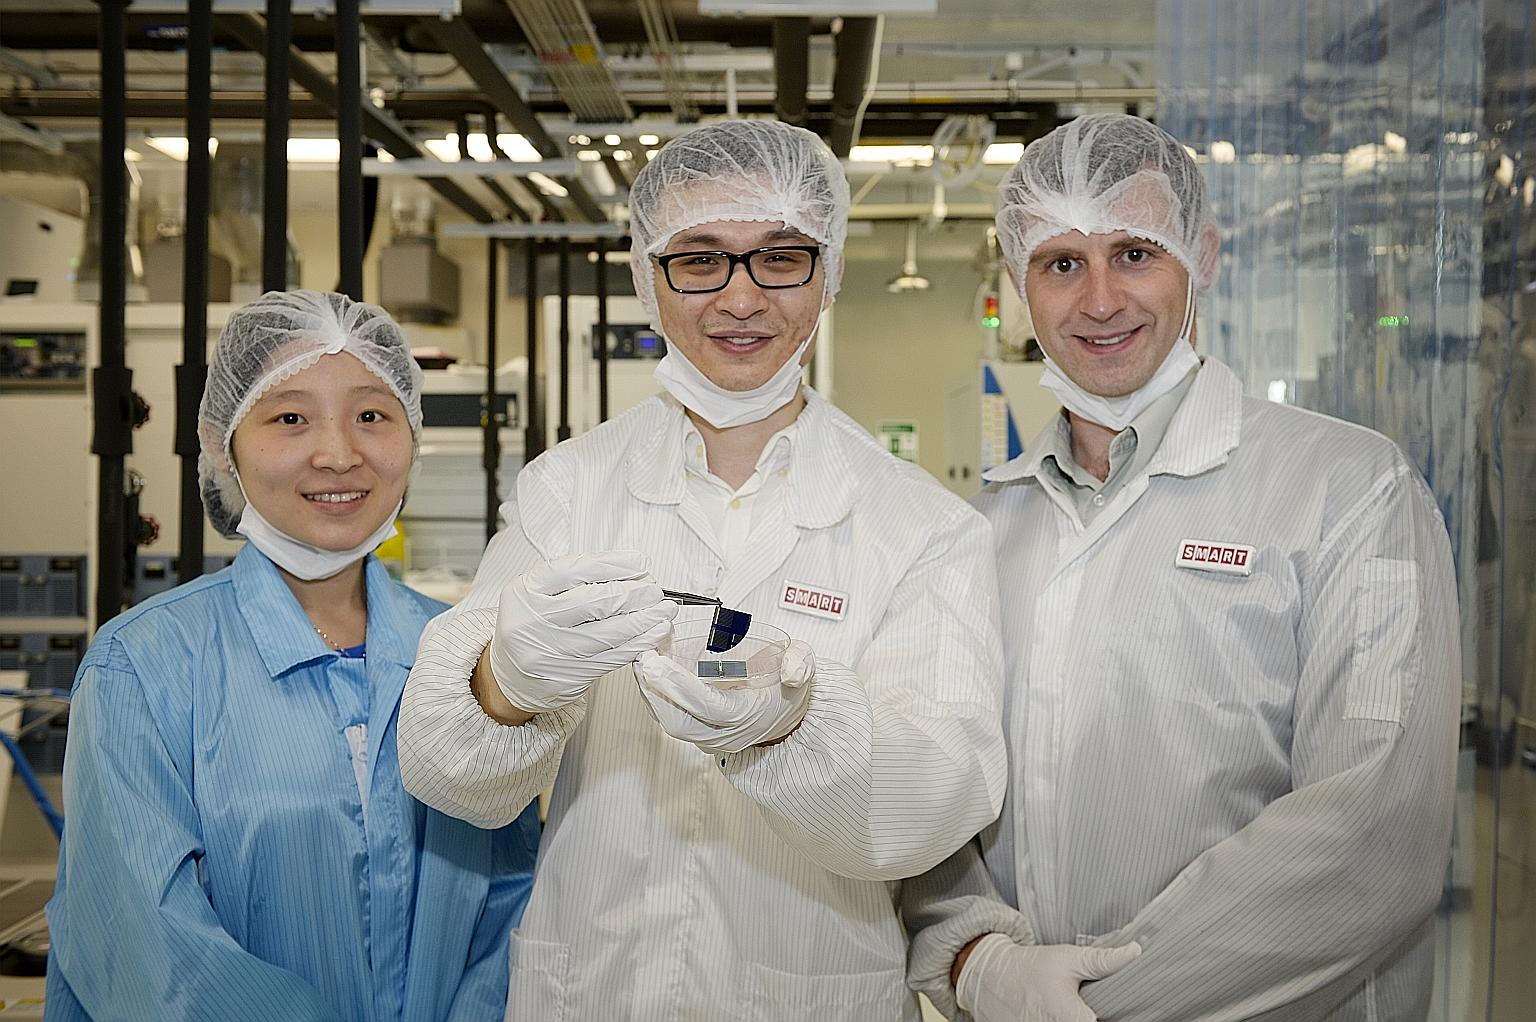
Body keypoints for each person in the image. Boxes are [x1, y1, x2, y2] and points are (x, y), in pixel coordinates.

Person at [398, 119, 1006, 1020]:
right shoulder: (568, 490)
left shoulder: (920, 525)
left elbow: (941, 794)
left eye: (779, 258)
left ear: (828, 271)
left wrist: (792, 729)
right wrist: (503, 682)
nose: (741, 297)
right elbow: (448, 776)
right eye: (701, 259)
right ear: (649, 277)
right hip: (594, 988)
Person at [902, 113, 1459, 1022]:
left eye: (1134, 253)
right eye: (1061, 263)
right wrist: (976, 961)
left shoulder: (1353, 490)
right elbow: (937, 798)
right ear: (1019, 282)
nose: (1099, 301)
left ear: (1201, 255)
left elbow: (1374, 828)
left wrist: (1095, 1005)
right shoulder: (977, 531)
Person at [44, 290, 541, 1022]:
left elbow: (513, 904)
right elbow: (149, 951)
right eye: (289, 418)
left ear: (413, 433)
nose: (338, 454)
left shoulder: (469, 657)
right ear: (223, 445)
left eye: (372, 415)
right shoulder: (145, 667)